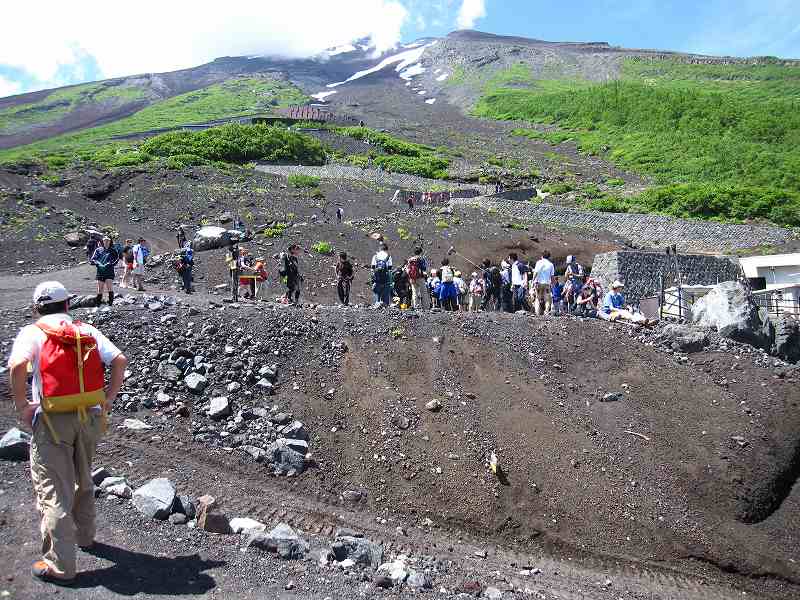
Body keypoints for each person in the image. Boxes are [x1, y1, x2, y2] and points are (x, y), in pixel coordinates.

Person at [8, 281, 127, 584]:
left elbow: (18, 366)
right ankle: (85, 537)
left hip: (51, 419)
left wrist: (23, 405)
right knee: (83, 477)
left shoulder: (32, 332)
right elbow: (119, 360)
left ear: (37, 307)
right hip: (89, 415)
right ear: (67, 304)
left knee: (53, 489)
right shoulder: (84, 330)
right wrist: (108, 398)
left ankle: (61, 566)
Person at [90, 237, 118, 306]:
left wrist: (110, 264)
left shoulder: (113, 250)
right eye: (105, 241)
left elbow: (116, 259)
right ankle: (98, 304)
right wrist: (97, 263)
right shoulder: (98, 250)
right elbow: (92, 259)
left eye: (108, 241)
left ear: (110, 241)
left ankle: (110, 303)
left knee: (109, 287)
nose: (106, 242)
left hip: (109, 271)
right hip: (100, 271)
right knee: (100, 288)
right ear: (102, 241)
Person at [532, 251, 555, 316]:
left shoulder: (538, 262)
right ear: (549, 257)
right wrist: (553, 284)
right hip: (547, 284)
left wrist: (533, 281)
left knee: (537, 298)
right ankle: (546, 312)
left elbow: (535, 273)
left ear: (542, 256)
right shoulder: (551, 264)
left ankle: (537, 313)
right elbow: (552, 276)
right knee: (547, 299)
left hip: (538, 283)